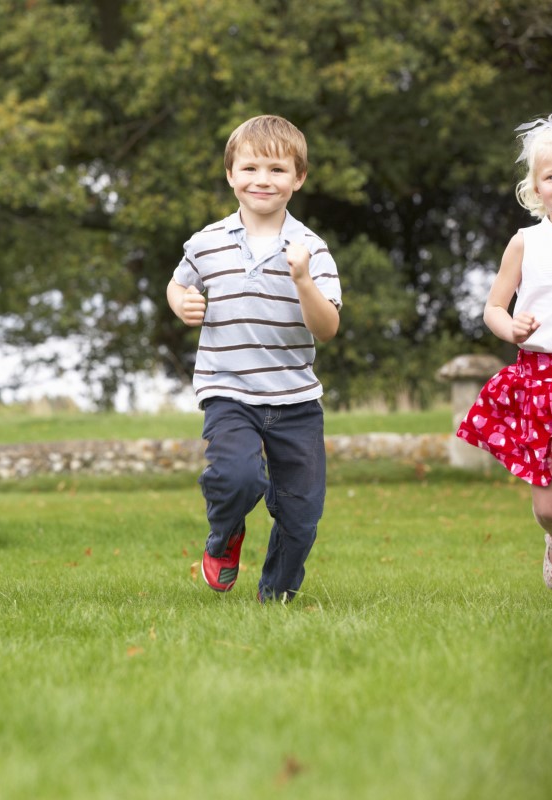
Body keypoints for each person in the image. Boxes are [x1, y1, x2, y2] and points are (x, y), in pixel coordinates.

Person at [166, 114, 342, 604]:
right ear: (230, 174)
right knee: (236, 477)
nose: (262, 180)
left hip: (295, 398)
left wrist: (303, 281)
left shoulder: (312, 249)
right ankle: (224, 537)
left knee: (301, 512)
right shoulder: (206, 243)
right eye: (250, 168)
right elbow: (179, 282)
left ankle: (276, 594)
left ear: (298, 178)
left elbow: (326, 328)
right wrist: (180, 301)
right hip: (229, 390)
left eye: (277, 170)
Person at [457, 112, 552, 607]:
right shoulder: (526, 241)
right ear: (535, 187)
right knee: (551, 504)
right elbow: (493, 306)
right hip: (540, 377)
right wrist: (509, 326)